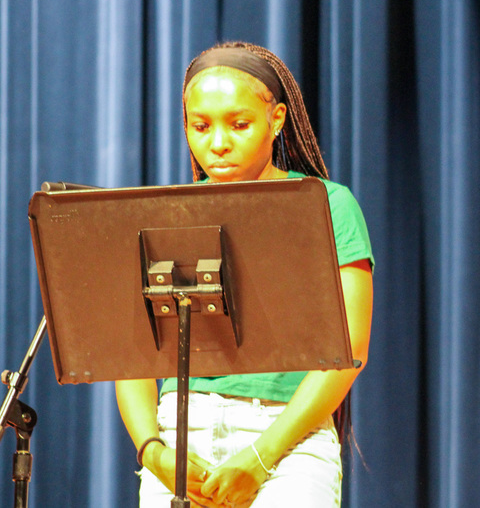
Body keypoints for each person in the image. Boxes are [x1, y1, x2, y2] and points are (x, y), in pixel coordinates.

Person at [116, 42, 374, 508]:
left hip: (287, 443)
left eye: (238, 124)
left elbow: (350, 350)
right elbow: (128, 358)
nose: (217, 143)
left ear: (276, 120)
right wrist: (153, 451)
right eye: (200, 126)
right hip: (180, 439)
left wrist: (259, 458)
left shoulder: (328, 205)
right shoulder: (165, 213)